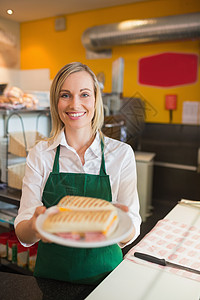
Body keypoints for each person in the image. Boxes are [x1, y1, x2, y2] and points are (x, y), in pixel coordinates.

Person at [14, 62, 141, 285]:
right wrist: (34, 226)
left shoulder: (121, 154)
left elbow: (132, 228)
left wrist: (123, 225)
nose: (75, 104)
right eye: (65, 95)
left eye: (84, 94)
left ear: (95, 100)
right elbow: (24, 232)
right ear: (56, 101)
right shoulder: (40, 154)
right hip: (52, 278)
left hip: (108, 277)